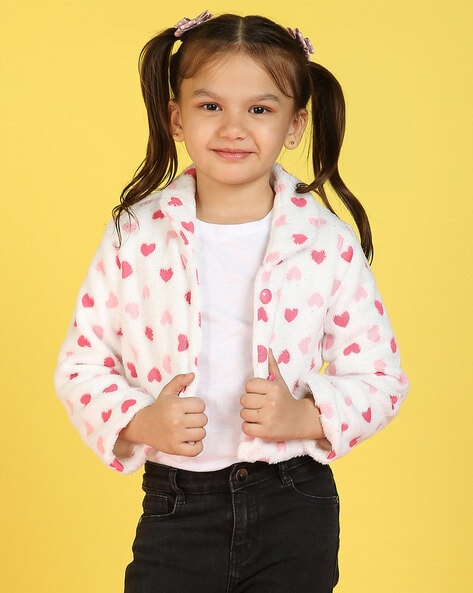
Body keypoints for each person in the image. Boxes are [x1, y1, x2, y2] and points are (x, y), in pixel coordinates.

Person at [55, 10, 408, 593]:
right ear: (177, 116)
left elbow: (381, 377)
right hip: (178, 505)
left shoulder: (325, 241)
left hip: (295, 502)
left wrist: (304, 416)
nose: (234, 128)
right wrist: (142, 421)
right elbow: (81, 364)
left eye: (261, 109)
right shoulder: (137, 235)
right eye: (211, 105)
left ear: (295, 125)